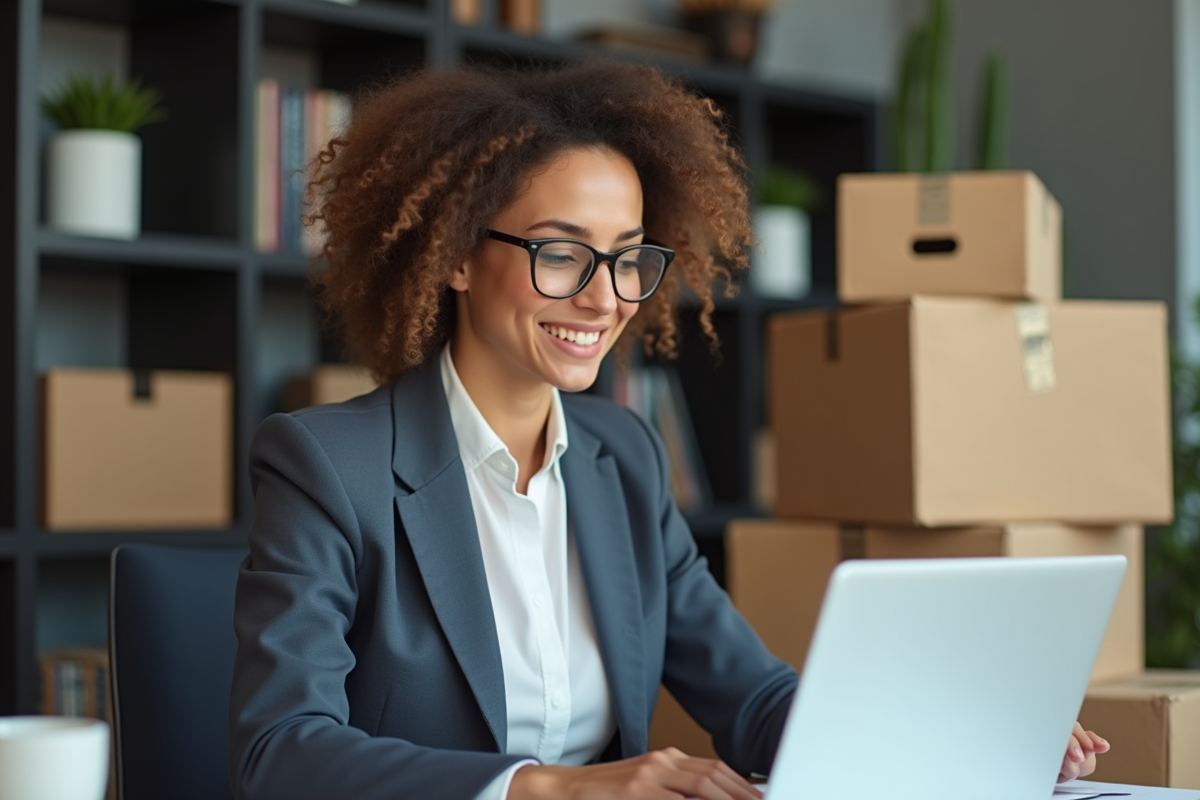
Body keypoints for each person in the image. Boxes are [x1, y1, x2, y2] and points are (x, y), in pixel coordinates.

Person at [227, 59, 1108, 800]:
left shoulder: (624, 458)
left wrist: (960, 732)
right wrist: (555, 787)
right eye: (562, 252)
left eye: (629, 257)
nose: (606, 297)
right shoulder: (328, 465)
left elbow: (756, 700)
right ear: (456, 253)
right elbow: (280, 753)